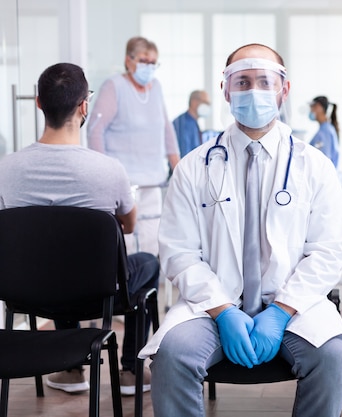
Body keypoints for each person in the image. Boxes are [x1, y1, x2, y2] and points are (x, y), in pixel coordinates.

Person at [138, 43, 342, 417]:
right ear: (225, 90)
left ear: (284, 90)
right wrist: (223, 311)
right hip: (212, 307)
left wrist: (281, 311)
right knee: (172, 356)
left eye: (264, 81)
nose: (254, 91)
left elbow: (329, 250)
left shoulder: (314, 167)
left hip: (292, 307)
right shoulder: (194, 168)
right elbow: (179, 252)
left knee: (331, 356)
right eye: (243, 82)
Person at [0, 63, 160, 396]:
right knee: (147, 263)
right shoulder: (108, 170)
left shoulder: (6, 169)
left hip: (31, 295)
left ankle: (71, 369)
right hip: (99, 296)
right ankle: (130, 369)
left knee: (53, 260)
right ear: (84, 106)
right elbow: (128, 226)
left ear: (39, 104)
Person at [87, 36, 180, 256]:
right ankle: (125, 290)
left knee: (152, 244)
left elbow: (166, 128)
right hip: (124, 183)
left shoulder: (155, 87)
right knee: (126, 246)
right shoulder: (114, 86)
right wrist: (102, 172)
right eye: (144, 60)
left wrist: (178, 167)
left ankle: (147, 289)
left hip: (153, 183)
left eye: (153, 62)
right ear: (128, 61)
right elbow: (95, 130)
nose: (148, 67)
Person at [173, 89, 211, 158]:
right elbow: (184, 156)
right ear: (194, 102)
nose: (208, 107)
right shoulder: (184, 124)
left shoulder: (193, 123)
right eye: (205, 103)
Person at [309, 95, 340, 168]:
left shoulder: (326, 131)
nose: (310, 111)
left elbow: (325, 159)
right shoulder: (325, 129)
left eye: (312, 107)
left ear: (319, 107)